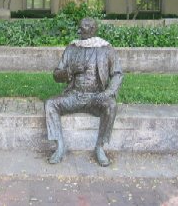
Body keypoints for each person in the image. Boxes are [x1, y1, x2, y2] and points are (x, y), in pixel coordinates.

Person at [45, 18, 123, 166]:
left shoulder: (106, 49)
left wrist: (107, 93)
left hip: (96, 97)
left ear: (93, 29)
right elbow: (56, 75)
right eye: (79, 27)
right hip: (74, 95)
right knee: (50, 104)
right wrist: (70, 70)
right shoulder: (72, 48)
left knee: (111, 105)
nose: (80, 30)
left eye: (84, 27)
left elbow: (118, 74)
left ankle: (100, 147)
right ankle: (60, 146)